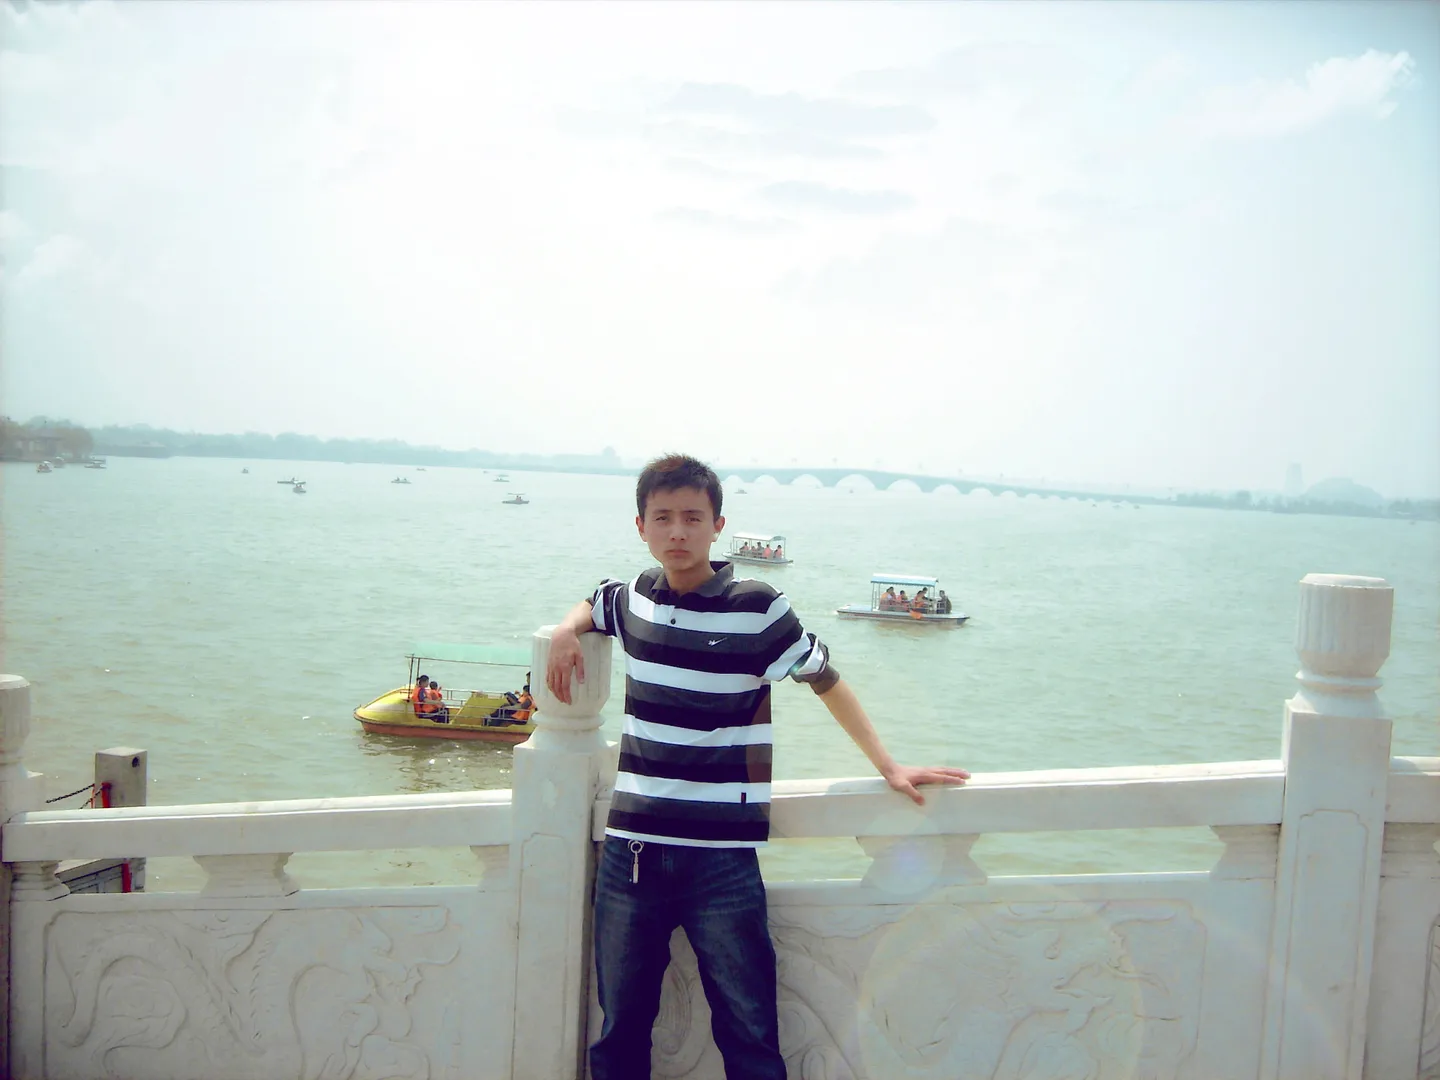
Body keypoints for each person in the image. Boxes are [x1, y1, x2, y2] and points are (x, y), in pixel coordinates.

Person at [546, 454, 969, 1080]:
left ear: (718, 525)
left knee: (749, 1036)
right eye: (663, 518)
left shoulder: (757, 606)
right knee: (620, 1033)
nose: (678, 532)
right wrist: (564, 630)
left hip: (721, 860)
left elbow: (824, 679)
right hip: (633, 853)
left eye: (693, 517)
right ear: (641, 526)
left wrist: (888, 765)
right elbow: (594, 602)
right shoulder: (634, 597)